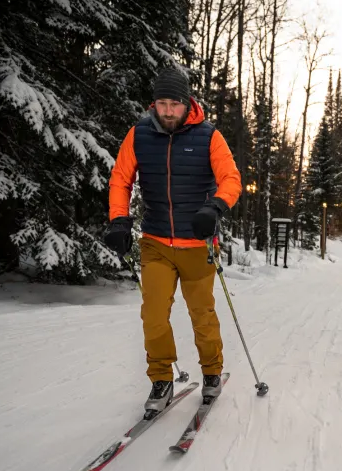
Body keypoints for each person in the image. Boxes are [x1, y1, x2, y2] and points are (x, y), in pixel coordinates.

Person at [103, 67, 241, 416]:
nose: (167, 111)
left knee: (202, 315)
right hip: (156, 242)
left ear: (187, 104)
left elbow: (231, 179)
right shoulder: (138, 135)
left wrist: (215, 207)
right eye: (161, 104)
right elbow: (120, 179)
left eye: (174, 105)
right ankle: (161, 379)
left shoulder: (210, 136)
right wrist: (118, 219)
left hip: (197, 245)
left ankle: (211, 371)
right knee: (153, 314)